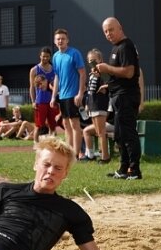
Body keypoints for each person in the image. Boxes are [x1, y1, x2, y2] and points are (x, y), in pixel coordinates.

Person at [96, 17, 142, 180]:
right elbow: (121, 74)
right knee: (119, 135)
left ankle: (134, 170)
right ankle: (123, 168)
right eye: (105, 31)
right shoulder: (117, 48)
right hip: (118, 95)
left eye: (111, 29)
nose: (108, 34)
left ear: (120, 28)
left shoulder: (126, 46)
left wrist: (106, 68)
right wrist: (109, 85)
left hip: (126, 97)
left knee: (128, 133)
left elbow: (129, 72)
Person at [50, 29, 86, 160]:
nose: (60, 41)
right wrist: (54, 97)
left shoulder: (74, 53)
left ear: (67, 40)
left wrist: (80, 93)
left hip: (73, 95)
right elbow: (57, 77)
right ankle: (68, 153)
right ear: (55, 41)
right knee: (66, 125)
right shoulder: (55, 57)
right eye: (58, 39)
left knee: (75, 124)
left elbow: (82, 73)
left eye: (63, 38)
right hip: (63, 96)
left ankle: (76, 154)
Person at [82, 49, 110, 163]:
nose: (92, 63)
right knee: (98, 132)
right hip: (93, 106)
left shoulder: (103, 74)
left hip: (100, 106)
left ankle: (105, 157)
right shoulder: (91, 75)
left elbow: (108, 85)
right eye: (90, 61)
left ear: (100, 60)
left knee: (101, 132)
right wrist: (87, 105)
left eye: (94, 60)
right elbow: (89, 92)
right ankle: (97, 154)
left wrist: (100, 77)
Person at [30, 47, 59, 137]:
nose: (45, 58)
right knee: (39, 126)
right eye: (43, 56)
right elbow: (31, 87)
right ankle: (36, 144)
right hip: (40, 101)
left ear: (50, 57)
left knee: (53, 126)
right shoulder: (34, 70)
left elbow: (57, 85)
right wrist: (33, 101)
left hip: (52, 102)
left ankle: (52, 144)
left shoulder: (54, 69)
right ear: (40, 56)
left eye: (47, 56)